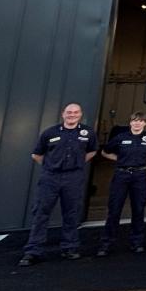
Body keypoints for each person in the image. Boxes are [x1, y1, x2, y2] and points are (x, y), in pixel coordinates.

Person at [20, 102, 98, 267]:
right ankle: (33, 251)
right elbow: (37, 154)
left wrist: (76, 164)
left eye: (76, 112)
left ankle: (70, 248)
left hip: (73, 178)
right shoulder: (50, 132)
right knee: (41, 213)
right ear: (63, 114)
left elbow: (92, 151)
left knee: (71, 214)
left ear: (80, 114)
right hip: (51, 178)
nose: (72, 115)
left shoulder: (87, 133)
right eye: (69, 112)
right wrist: (52, 166)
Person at [96, 112, 146, 255]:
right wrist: (119, 160)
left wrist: (145, 157)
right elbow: (105, 152)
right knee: (114, 210)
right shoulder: (120, 138)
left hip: (140, 176)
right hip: (121, 175)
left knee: (138, 209)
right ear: (130, 123)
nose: (137, 123)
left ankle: (137, 243)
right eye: (134, 121)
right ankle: (106, 244)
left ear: (145, 123)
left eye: (140, 121)